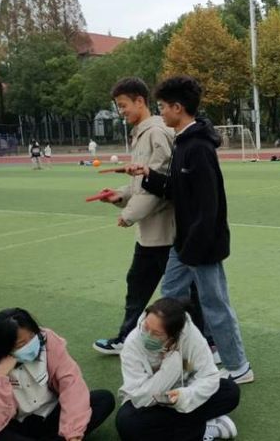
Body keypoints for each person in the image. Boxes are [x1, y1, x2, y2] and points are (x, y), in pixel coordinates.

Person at [128, 75, 254, 385]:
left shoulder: (198, 147)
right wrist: (147, 174)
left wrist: (194, 250)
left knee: (215, 305)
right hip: (183, 244)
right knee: (170, 299)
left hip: (201, 246)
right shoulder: (183, 141)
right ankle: (182, 358)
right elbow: (175, 190)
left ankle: (238, 367)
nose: (160, 112)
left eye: (162, 107)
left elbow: (209, 207)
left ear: (178, 108)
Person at [93, 78, 178, 355]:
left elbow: (160, 184)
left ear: (140, 101)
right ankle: (127, 337)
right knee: (141, 286)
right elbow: (141, 183)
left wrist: (128, 214)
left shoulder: (157, 132)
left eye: (123, 105)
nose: (121, 112)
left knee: (178, 293)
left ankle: (206, 342)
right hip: (151, 232)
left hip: (164, 232)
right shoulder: (142, 133)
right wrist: (120, 195)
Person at [0, 308, 115, 441]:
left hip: (51, 414)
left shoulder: (48, 340)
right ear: (3, 347)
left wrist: (73, 432)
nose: (31, 345)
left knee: (102, 399)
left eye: (32, 336)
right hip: (15, 424)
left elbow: (71, 384)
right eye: (21, 344)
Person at [115, 298, 240, 441]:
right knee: (127, 423)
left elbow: (208, 375)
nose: (147, 335)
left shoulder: (191, 336)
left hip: (182, 390)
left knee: (230, 391)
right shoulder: (133, 343)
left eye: (156, 333)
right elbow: (140, 397)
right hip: (150, 402)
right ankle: (204, 429)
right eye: (146, 326)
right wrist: (171, 366)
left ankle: (178, 428)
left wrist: (183, 397)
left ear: (174, 336)